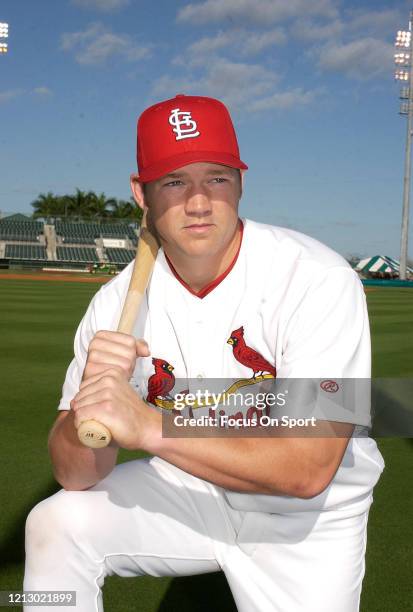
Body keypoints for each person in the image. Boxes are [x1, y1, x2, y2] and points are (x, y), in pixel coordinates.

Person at [24, 94, 384, 612]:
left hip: (307, 521)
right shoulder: (114, 305)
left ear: (241, 181)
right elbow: (75, 473)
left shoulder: (317, 279)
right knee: (56, 523)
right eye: (174, 181)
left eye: (215, 177)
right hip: (190, 491)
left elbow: (308, 470)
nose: (197, 202)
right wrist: (89, 406)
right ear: (140, 193)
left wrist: (148, 426)